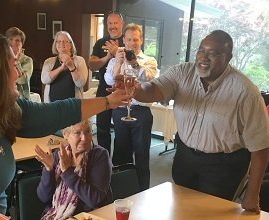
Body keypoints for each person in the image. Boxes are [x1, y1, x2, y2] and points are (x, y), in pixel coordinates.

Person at [0, 30, 128, 220]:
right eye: (12, 64)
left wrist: (110, 101)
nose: (19, 73)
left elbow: (56, 113)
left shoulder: (0, 110)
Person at [115, 30, 269, 212]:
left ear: (228, 57)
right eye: (201, 50)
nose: (204, 58)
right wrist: (136, 90)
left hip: (223, 166)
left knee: (211, 214)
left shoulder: (245, 92)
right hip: (185, 157)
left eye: (213, 53)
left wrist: (253, 194)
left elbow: (260, 147)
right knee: (181, 208)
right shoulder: (182, 73)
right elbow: (153, 89)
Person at [105, 23, 157, 191]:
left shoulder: (149, 60)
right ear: (123, 40)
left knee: (142, 156)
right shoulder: (115, 60)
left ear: (141, 40)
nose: (132, 43)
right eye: (129, 39)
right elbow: (109, 81)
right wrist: (119, 63)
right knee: (120, 154)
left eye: (135, 39)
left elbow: (149, 77)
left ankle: (143, 193)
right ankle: (120, 191)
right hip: (120, 110)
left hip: (141, 113)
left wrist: (134, 63)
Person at [35, 120, 112, 219]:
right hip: (56, 215)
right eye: (77, 133)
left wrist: (67, 172)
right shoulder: (57, 156)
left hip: (88, 216)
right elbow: (44, 198)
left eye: (87, 131)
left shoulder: (100, 155)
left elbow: (94, 199)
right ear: (65, 135)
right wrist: (48, 170)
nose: (84, 138)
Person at [88, 12, 125, 154]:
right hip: (103, 90)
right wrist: (108, 57)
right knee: (102, 128)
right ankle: (103, 161)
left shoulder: (127, 41)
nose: (112, 26)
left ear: (121, 24)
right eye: (110, 23)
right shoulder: (100, 43)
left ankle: (118, 164)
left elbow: (134, 64)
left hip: (121, 90)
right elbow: (92, 65)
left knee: (121, 129)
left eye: (115, 23)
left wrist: (117, 52)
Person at [41, 31, 88, 103]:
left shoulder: (80, 60)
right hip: (52, 106)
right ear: (55, 45)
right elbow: (44, 80)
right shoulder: (49, 61)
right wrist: (61, 68)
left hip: (73, 106)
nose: (61, 44)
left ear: (71, 45)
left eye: (65, 41)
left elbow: (80, 83)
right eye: (58, 41)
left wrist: (71, 66)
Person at [5, 27, 34, 100]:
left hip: (22, 100)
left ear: (21, 44)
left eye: (17, 40)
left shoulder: (27, 60)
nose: (13, 43)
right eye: (11, 39)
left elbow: (23, 80)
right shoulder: (2, 59)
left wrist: (16, 61)